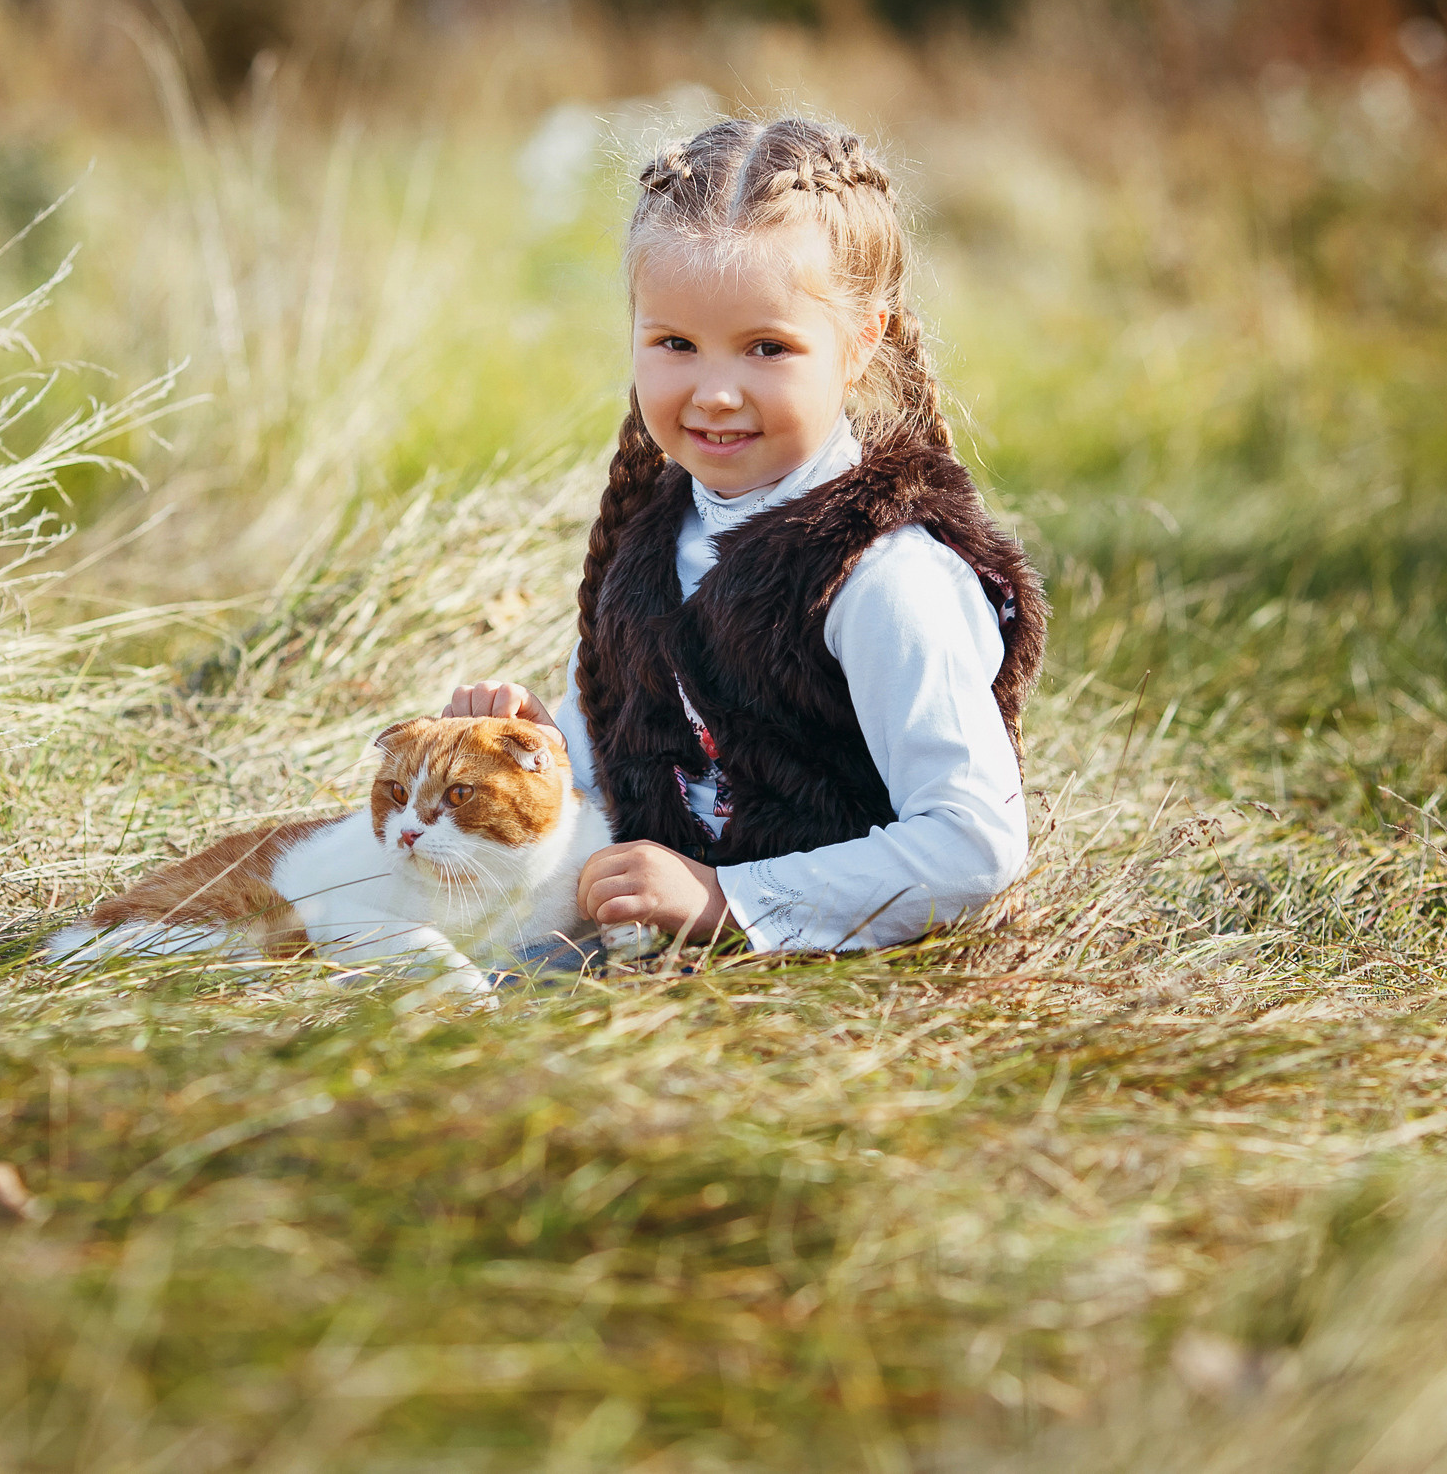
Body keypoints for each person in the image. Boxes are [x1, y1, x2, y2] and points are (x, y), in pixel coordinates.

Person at [447, 115, 1046, 955]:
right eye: (676, 343)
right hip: (641, 967)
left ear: (859, 341)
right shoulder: (655, 532)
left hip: (825, 999)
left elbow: (974, 846)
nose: (716, 392)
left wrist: (724, 897)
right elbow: (629, 756)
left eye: (766, 347)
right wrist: (537, 750)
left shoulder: (882, 577)